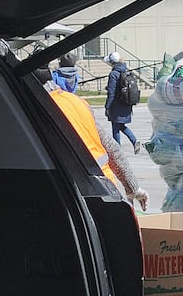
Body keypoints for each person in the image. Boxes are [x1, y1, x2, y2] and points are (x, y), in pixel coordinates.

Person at [37, 68, 147, 210]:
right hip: (107, 189)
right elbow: (112, 149)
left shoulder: (39, 108)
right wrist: (133, 188)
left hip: (78, 196)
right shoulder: (77, 102)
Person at [103, 52, 141, 154]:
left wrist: (107, 107)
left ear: (112, 63)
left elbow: (111, 93)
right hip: (126, 104)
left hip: (116, 105)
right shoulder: (126, 71)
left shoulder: (113, 74)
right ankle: (134, 140)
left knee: (115, 128)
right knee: (120, 126)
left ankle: (117, 151)